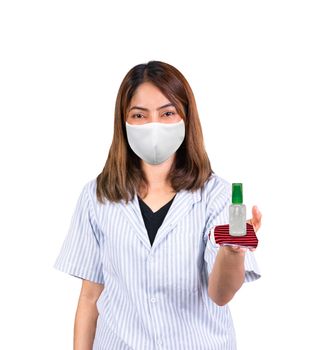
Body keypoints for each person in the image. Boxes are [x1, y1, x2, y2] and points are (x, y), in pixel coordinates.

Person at [54, 60, 262, 350]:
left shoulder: (216, 196)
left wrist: (232, 250)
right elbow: (90, 297)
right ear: (123, 122)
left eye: (167, 113)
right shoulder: (97, 196)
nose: (153, 126)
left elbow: (220, 293)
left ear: (185, 118)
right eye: (139, 115)